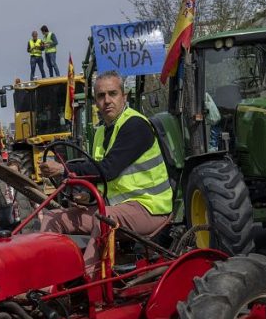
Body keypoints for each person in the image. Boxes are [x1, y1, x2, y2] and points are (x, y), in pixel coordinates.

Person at [39, 70, 173, 278]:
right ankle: (48, 281)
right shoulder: (101, 132)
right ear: (95, 102)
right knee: (52, 217)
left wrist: (63, 169)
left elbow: (108, 170)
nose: (107, 101)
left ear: (124, 96)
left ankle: (89, 283)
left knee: (105, 218)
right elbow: (102, 182)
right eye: (101, 96)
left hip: (150, 208)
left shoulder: (135, 125)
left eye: (113, 93)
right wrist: (88, 196)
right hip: (115, 207)